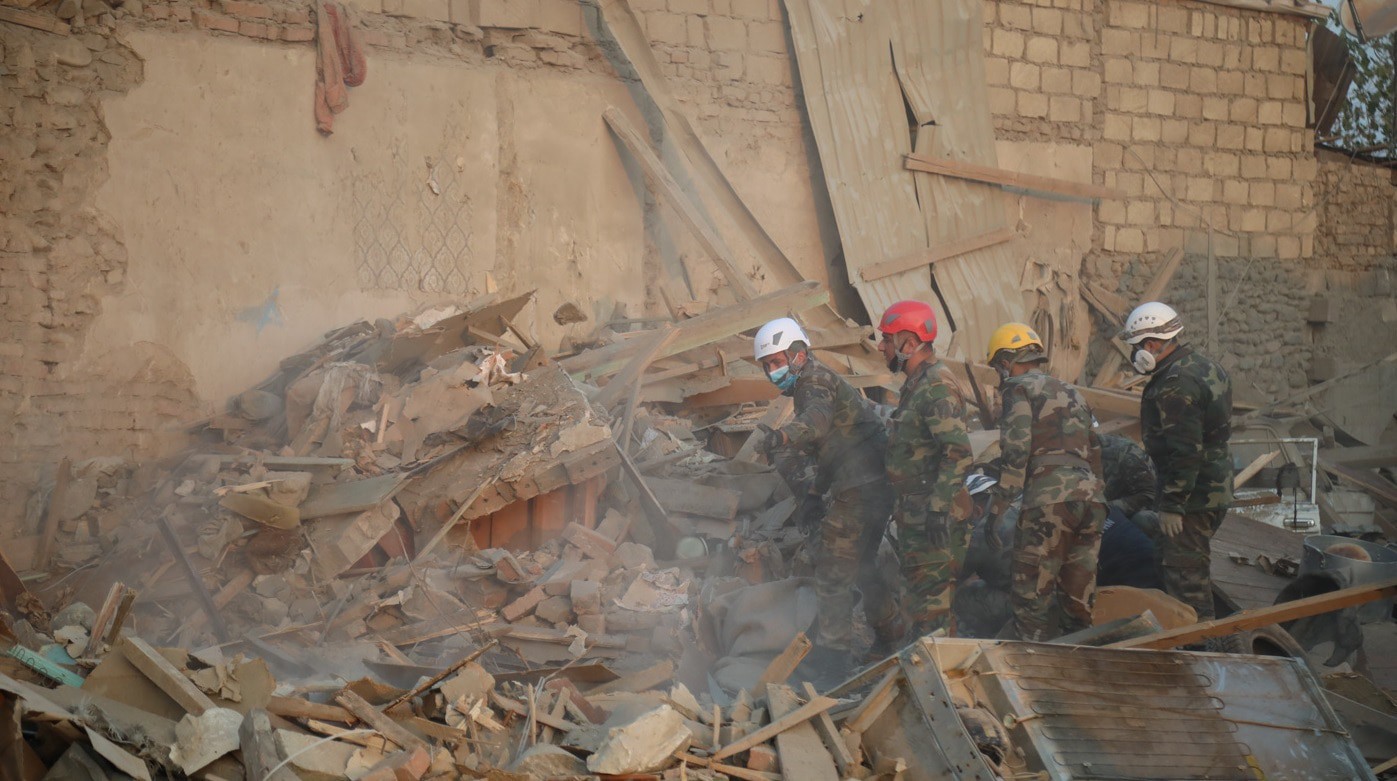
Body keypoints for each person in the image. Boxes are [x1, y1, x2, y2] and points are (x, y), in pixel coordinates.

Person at [751, 317, 898, 681]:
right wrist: (816, 493)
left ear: (799, 354)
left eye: (776, 361)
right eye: (766, 365)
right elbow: (834, 447)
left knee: (833, 574)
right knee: (863, 565)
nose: (772, 371)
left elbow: (815, 424)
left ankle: (833, 664)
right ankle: (892, 634)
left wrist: (782, 438)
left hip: (860, 488)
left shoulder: (813, 381)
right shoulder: (818, 379)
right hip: (872, 484)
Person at [985, 323, 1107, 641]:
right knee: (1078, 609)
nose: (999, 375)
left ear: (1005, 362)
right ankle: (1079, 665)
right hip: (1092, 501)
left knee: (1030, 606)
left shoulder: (1017, 388)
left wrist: (997, 509)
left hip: (1049, 501)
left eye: (998, 367)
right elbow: (1096, 450)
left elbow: (1016, 450)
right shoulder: (1074, 392)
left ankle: (1029, 666)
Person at [1120, 301, 1233, 622]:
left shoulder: (1175, 385)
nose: (1134, 355)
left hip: (1192, 499)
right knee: (1176, 570)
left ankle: (1201, 646)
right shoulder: (1204, 366)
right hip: (1214, 487)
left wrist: (1173, 505)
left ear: (1150, 345)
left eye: (1136, 348)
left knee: (1187, 585)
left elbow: (1185, 451)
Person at [955, 473, 1163, 637]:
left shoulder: (981, 533)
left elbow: (945, 579)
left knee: (966, 596)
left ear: (977, 510)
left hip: (1093, 601)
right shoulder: (1045, 495)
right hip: (1151, 576)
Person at [876, 301, 974, 639]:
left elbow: (958, 453)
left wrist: (937, 509)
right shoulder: (918, 383)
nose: (881, 347)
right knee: (921, 611)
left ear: (910, 342)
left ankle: (943, 672)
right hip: (917, 515)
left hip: (933, 521)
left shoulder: (935, 386)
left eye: (886, 339)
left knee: (931, 616)